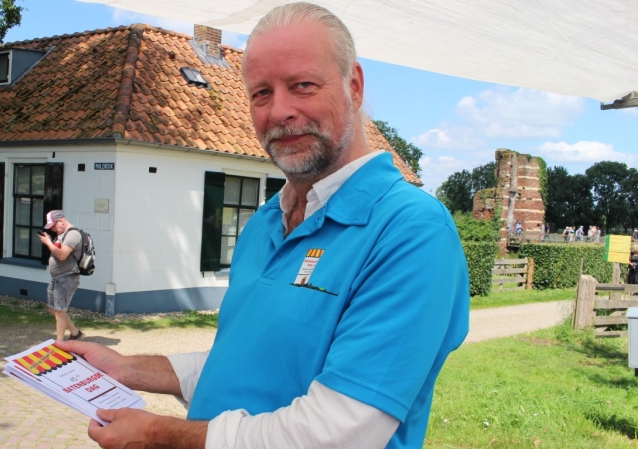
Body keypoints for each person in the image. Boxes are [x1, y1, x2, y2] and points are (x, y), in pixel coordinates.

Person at [55, 4, 470, 448]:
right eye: (261, 93)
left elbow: (336, 433)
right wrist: (128, 369)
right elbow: (242, 363)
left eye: (303, 85)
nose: (279, 111)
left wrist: (159, 434)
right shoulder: (266, 221)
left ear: (354, 85)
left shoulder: (412, 231)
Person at [38, 210, 84, 341]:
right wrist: (50, 242)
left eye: (53, 226)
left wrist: (48, 243)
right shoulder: (62, 234)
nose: (52, 229)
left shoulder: (73, 235)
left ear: (61, 221)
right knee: (53, 309)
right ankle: (75, 333)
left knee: (60, 311)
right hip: (57, 278)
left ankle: (59, 343)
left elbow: (62, 255)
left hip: (67, 278)